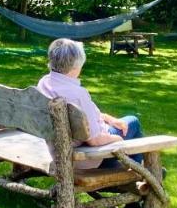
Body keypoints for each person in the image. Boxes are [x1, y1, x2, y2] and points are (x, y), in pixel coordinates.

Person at [36, 38, 143, 170]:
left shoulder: (44, 83)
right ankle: (138, 172)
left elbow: (87, 115)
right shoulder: (78, 94)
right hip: (84, 157)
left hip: (56, 149)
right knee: (133, 121)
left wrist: (110, 119)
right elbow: (95, 141)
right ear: (76, 66)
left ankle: (132, 168)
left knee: (123, 124)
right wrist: (118, 141)